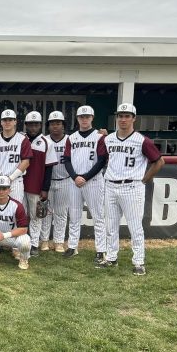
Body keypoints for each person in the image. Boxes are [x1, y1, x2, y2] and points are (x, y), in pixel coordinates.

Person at [97, 103, 164, 275]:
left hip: (132, 185)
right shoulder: (108, 139)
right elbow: (102, 157)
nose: (123, 119)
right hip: (111, 185)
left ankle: (139, 261)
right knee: (110, 225)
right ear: (116, 118)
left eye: (127, 116)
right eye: (120, 116)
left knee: (135, 226)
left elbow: (159, 162)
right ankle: (111, 258)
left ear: (134, 118)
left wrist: (144, 180)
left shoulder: (142, 140)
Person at [63, 105, 107, 261]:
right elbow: (66, 160)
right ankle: (73, 246)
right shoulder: (71, 137)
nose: (84, 119)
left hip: (93, 180)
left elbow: (102, 160)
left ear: (92, 118)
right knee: (74, 215)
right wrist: (75, 177)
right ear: (77, 119)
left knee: (98, 216)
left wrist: (86, 177)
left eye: (87, 116)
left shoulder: (99, 136)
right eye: (81, 117)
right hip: (75, 181)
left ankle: (101, 250)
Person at [22, 111, 58, 257]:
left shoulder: (46, 142)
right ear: (25, 125)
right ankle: (20, 243)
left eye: (36, 124)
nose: (33, 127)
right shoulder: (19, 139)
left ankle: (34, 244)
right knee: (20, 215)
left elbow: (49, 168)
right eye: (30, 124)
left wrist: (45, 188)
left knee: (35, 216)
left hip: (36, 186)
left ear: (40, 125)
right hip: (18, 183)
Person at [39, 111, 70, 253]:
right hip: (47, 181)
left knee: (61, 212)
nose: (55, 126)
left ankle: (58, 242)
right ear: (48, 126)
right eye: (52, 123)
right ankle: (44, 240)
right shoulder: (43, 140)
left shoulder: (70, 140)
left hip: (64, 180)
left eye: (58, 123)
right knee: (45, 212)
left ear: (63, 125)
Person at [0, 109, 32, 204]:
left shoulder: (23, 139)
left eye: (10, 120)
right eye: (5, 120)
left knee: (15, 212)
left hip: (15, 181)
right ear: (1, 122)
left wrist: (10, 178)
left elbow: (26, 162)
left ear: (15, 121)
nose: (7, 122)